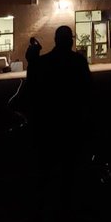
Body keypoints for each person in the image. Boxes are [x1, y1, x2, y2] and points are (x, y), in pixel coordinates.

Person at [24, 25, 93, 165]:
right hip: (74, 122)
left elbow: (32, 90)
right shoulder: (79, 62)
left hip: (49, 125)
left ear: (55, 40)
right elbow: (89, 91)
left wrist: (32, 62)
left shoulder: (43, 63)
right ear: (71, 41)